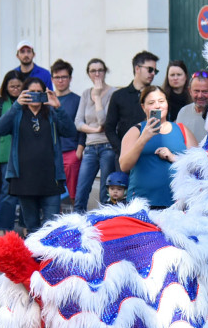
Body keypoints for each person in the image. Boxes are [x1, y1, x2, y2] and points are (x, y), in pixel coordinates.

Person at [0, 77, 76, 234]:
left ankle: (48, 258)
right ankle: (34, 258)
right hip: (24, 180)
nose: (35, 96)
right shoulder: (17, 113)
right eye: (32, 92)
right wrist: (17, 105)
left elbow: (70, 132)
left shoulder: (51, 114)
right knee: (32, 228)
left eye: (39, 92)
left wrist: (58, 107)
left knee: (51, 227)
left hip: (50, 179)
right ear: (24, 93)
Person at [119, 86, 197, 208]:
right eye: (151, 103)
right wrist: (144, 138)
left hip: (177, 204)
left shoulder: (181, 130)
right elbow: (124, 165)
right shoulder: (136, 131)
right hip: (142, 204)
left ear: (167, 103)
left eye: (161, 101)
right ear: (143, 107)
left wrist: (173, 157)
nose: (157, 106)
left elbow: (197, 166)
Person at [74, 58, 117, 213]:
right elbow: (78, 122)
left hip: (107, 147)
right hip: (90, 147)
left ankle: (104, 227)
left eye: (100, 70)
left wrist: (98, 96)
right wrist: (95, 130)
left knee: (105, 193)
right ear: (88, 74)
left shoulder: (113, 93)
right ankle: (77, 227)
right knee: (81, 191)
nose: (97, 74)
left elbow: (103, 120)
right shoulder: (85, 94)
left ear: (105, 72)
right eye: (93, 71)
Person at [106, 50, 159, 156]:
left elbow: (158, 125)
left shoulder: (157, 95)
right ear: (137, 68)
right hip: (126, 154)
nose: (153, 73)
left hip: (151, 154)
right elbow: (109, 128)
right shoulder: (119, 95)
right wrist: (121, 150)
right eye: (150, 69)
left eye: (155, 71)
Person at [0, 70, 25, 234]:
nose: (15, 89)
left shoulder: (28, 100)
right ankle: (4, 228)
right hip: (6, 152)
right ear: (6, 86)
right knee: (7, 191)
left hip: (26, 150)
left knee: (27, 191)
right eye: (12, 86)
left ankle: (26, 228)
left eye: (19, 86)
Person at [50, 59, 84, 208]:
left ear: (70, 78)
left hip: (71, 152)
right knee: (52, 193)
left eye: (64, 77)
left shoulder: (77, 100)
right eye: (57, 77)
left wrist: (79, 149)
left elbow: (82, 124)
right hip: (50, 153)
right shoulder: (47, 100)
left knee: (72, 193)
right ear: (52, 79)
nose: (60, 80)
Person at [176, 70, 208, 143]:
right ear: (190, 91)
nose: (200, 96)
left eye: (205, 91)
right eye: (196, 91)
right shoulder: (183, 112)